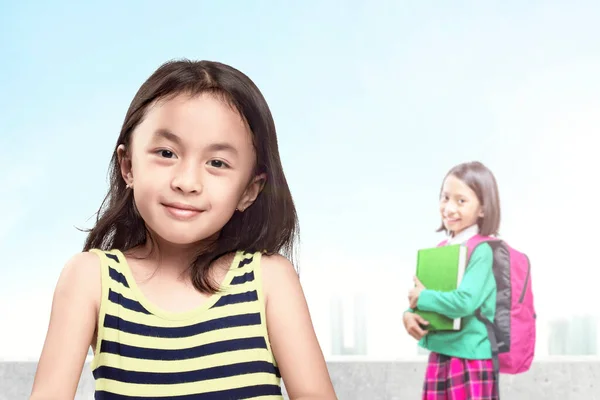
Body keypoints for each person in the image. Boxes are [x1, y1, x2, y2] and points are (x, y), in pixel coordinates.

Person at [31, 59, 337, 400]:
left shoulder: (269, 281)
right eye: (166, 152)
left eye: (217, 163)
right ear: (128, 166)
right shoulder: (92, 279)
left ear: (250, 189)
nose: (187, 182)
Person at [403, 161, 501, 400]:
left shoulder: (483, 250)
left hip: (471, 359)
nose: (449, 208)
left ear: (483, 209)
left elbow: (464, 302)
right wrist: (408, 314)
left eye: (461, 201)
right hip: (440, 354)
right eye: (445, 198)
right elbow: (422, 299)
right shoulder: (441, 249)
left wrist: (422, 297)